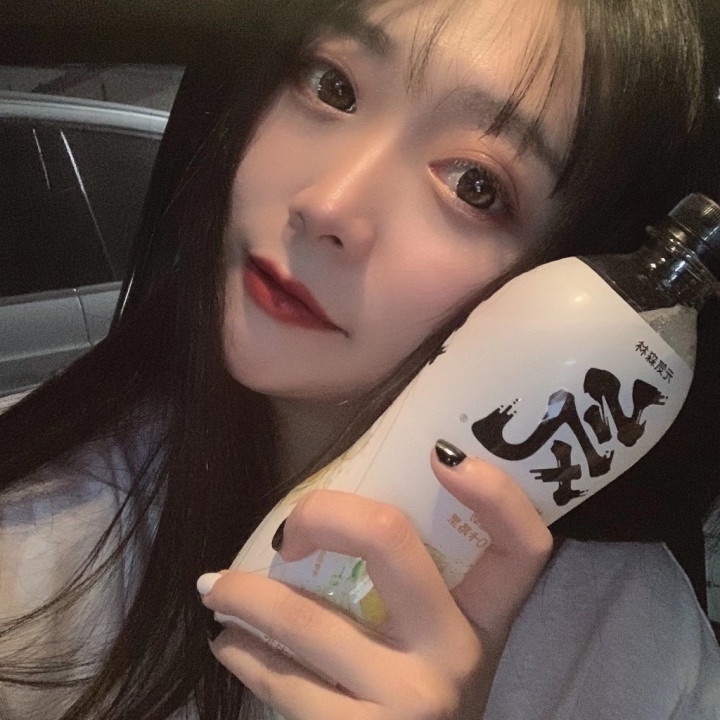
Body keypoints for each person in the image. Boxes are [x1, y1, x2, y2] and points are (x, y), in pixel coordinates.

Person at [1, 0, 719, 718]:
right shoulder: (32, 513)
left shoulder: (631, 650)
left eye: (475, 185)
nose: (328, 204)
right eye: (332, 86)